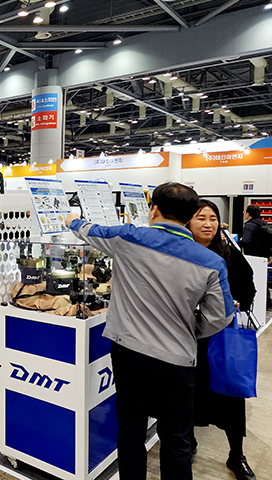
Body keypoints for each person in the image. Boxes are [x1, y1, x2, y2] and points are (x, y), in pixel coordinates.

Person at [64, 182, 235, 480]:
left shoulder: (127, 237)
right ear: (189, 217)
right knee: (176, 438)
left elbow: (88, 230)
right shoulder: (212, 262)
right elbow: (221, 315)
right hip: (178, 360)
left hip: (129, 354)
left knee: (130, 430)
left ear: (153, 209)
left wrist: (70, 219)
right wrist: (190, 330)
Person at [188, 200, 256, 480]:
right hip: (188, 339)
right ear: (187, 221)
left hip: (221, 338)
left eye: (213, 218)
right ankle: (188, 443)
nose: (208, 224)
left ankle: (236, 455)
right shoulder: (181, 252)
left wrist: (238, 301)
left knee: (230, 396)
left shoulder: (227, 252)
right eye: (200, 217)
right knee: (189, 395)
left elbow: (248, 284)